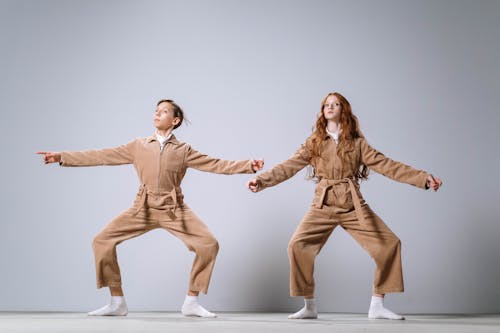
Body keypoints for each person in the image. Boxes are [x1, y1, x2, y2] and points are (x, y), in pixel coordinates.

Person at [37, 99, 264, 317]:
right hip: (142, 208)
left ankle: (191, 302)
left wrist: (248, 166)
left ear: (175, 120)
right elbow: (102, 155)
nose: (157, 113)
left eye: (163, 111)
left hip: (175, 210)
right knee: (102, 241)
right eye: (156, 110)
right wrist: (62, 157)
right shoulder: (139, 146)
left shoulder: (183, 150)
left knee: (209, 244)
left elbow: (216, 164)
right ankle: (117, 302)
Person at [247, 92, 442, 320]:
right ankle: (309, 305)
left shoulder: (358, 143)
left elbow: (387, 165)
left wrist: (423, 178)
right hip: (323, 204)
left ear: (344, 110)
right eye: (326, 105)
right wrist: (261, 181)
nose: (330, 107)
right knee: (297, 246)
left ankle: (377, 305)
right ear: (322, 111)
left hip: (352, 206)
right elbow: (290, 165)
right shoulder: (315, 142)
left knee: (389, 245)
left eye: (335, 104)